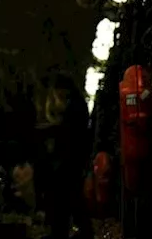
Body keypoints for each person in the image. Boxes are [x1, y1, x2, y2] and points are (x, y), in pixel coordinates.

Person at [41, 75, 93, 239]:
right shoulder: (77, 105)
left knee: (65, 201)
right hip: (72, 162)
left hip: (69, 162)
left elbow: (69, 133)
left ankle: (63, 232)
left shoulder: (74, 107)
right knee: (71, 202)